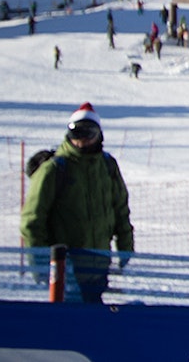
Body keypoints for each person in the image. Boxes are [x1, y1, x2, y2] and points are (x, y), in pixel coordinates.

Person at [20, 103, 133, 303]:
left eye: (88, 132)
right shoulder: (54, 169)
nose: (82, 139)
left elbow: (120, 209)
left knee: (93, 322)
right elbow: (32, 221)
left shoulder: (107, 165)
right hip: (66, 268)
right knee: (71, 325)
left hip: (98, 266)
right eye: (76, 132)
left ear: (99, 135)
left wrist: (125, 248)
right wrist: (41, 264)